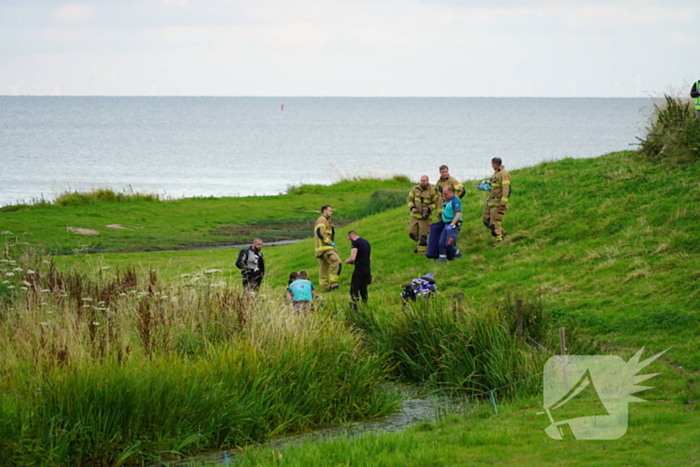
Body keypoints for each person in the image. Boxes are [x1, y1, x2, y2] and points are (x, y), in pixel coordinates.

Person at [481, 157, 511, 244]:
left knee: (495, 221)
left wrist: (503, 203)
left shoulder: (504, 174)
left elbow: (506, 189)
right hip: (491, 201)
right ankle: (503, 233)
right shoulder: (496, 173)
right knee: (485, 219)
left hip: (498, 202)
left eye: (492, 164)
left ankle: (498, 240)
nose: (491, 166)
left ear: (495, 164)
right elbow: (495, 186)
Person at [406, 175, 438, 254]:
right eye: (421, 181)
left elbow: (436, 203)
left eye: (424, 181)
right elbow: (409, 199)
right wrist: (412, 207)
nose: (422, 182)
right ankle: (419, 244)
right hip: (415, 216)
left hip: (425, 217)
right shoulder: (415, 189)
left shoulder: (433, 191)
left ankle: (422, 252)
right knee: (411, 233)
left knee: (423, 235)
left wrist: (429, 208)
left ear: (428, 181)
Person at [314, 205, 341, 291]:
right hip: (325, 248)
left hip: (321, 249)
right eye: (330, 210)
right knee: (337, 262)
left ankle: (324, 288)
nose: (331, 212)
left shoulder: (325, 220)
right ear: (324, 211)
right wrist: (330, 243)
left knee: (323, 268)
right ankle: (334, 284)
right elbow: (320, 233)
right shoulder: (322, 220)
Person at [345, 230, 371, 308]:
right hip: (367, 268)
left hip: (359, 269)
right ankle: (365, 305)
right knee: (363, 288)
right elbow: (370, 258)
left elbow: (353, 258)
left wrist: (348, 261)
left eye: (349, 239)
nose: (350, 241)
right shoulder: (366, 242)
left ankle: (355, 307)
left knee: (354, 288)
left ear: (350, 236)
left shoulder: (355, 243)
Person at [438, 186, 463, 263]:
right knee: (441, 243)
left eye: (445, 194)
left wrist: (452, 225)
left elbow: (458, 214)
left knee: (449, 244)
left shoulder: (455, 201)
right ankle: (442, 259)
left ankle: (457, 253)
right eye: (443, 194)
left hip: (453, 224)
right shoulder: (447, 200)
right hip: (446, 224)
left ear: (451, 192)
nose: (444, 196)